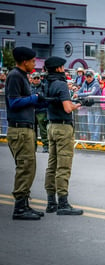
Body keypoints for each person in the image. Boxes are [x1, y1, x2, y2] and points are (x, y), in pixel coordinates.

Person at [5, 47, 45, 220]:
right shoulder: (15, 76)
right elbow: (13, 102)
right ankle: (20, 208)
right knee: (25, 167)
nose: (34, 64)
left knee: (29, 167)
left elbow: (26, 102)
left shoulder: (21, 76)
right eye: (32, 61)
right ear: (24, 61)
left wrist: (44, 101)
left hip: (26, 128)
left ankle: (24, 204)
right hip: (19, 129)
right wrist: (34, 98)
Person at [43, 56, 83, 215]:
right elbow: (67, 108)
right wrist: (78, 105)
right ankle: (63, 203)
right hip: (63, 127)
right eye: (62, 67)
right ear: (58, 68)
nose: (64, 69)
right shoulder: (61, 83)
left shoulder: (48, 83)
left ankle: (51, 202)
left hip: (51, 125)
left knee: (51, 165)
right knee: (63, 165)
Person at [73, 70, 102, 142]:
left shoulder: (96, 84)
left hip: (96, 106)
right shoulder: (84, 83)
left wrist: (79, 95)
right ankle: (92, 138)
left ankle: (96, 139)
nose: (88, 78)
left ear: (92, 77)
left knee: (97, 123)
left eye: (90, 77)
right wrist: (76, 93)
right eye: (87, 77)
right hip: (89, 106)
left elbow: (92, 93)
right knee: (90, 123)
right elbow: (80, 90)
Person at [30, 71, 49, 153]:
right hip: (32, 111)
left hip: (41, 111)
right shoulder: (28, 87)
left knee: (43, 130)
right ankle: (33, 147)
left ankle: (45, 146)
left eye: (38, 78)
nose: (37, 80)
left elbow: (47, 99)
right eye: (35, 78)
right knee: (32, 131)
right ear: (32, 79)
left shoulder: (44, 87)